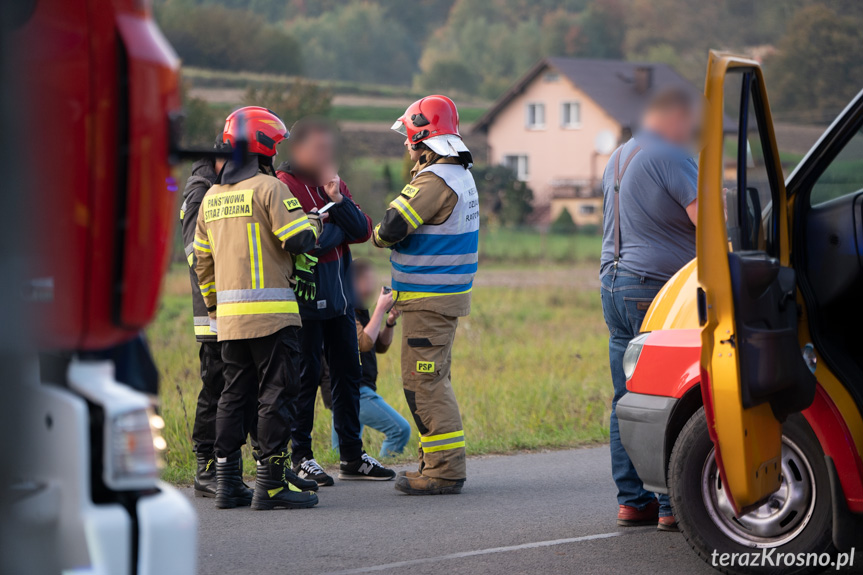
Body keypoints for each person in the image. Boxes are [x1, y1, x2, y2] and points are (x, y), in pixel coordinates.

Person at [194, 106, 321, 510]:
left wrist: (214, 307)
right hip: (272, 315)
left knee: (234, 395)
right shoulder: (269, 189)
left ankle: (228, 482)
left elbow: (202, 262)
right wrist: (313, 222)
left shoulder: (211, 198)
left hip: (228, 321)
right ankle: (269, 482)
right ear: (264, 148)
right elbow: (299, 239)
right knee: (276, 394)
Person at [599, 87, 700, 532]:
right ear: (673, 117)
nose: (691, 132)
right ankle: (668, 505)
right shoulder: (672, 156)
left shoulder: (619, 155)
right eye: (689, 122)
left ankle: (631, 501)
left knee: (627, 398)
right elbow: (709, 221)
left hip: (614, 286)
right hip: (656, 289)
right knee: (665, 395)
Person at [276, 118, 396, 485]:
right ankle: (301, 457)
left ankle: (351, 455)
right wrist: (335, 230)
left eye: (329, 148)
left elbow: (362, 229)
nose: (326, 155)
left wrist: (338, 201)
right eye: (318, 148)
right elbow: (302, 241)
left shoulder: (333, 184)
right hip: (307, 301)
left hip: (342, 300)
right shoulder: (284, 185)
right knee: (306, 377)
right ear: (298, 149)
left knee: (349, 375)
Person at [373, 95, 479, 496]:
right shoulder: (459, 174)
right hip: (442, 299)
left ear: (424, 135)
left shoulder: (433, 181)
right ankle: (434, 463)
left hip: (427, 301)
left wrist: (380, 232)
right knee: (434, 381)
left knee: (425, 385)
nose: (405, 143)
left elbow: (388, 228)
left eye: (409, 135)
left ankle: (444, 471)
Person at [180, 138, 257, 498]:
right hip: (211, 311)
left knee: (235, 385)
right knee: (215, 387)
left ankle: (237, 464)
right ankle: (205, 467)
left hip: (228, 307)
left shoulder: (215, 188)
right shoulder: (200, 191)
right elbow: (197, 254)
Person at [329, 259, 411, 458]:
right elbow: (363, 342)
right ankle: (385, 465)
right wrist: (380, 310)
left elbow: (379, 345)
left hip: (355, 389)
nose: (373, 287)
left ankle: (349, 480)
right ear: (353, 283)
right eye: (368, 281)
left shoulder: (360, 310)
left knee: (342, 452)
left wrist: (389, 322)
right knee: (400, 430)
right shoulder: (345, 310)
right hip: (355, 390)